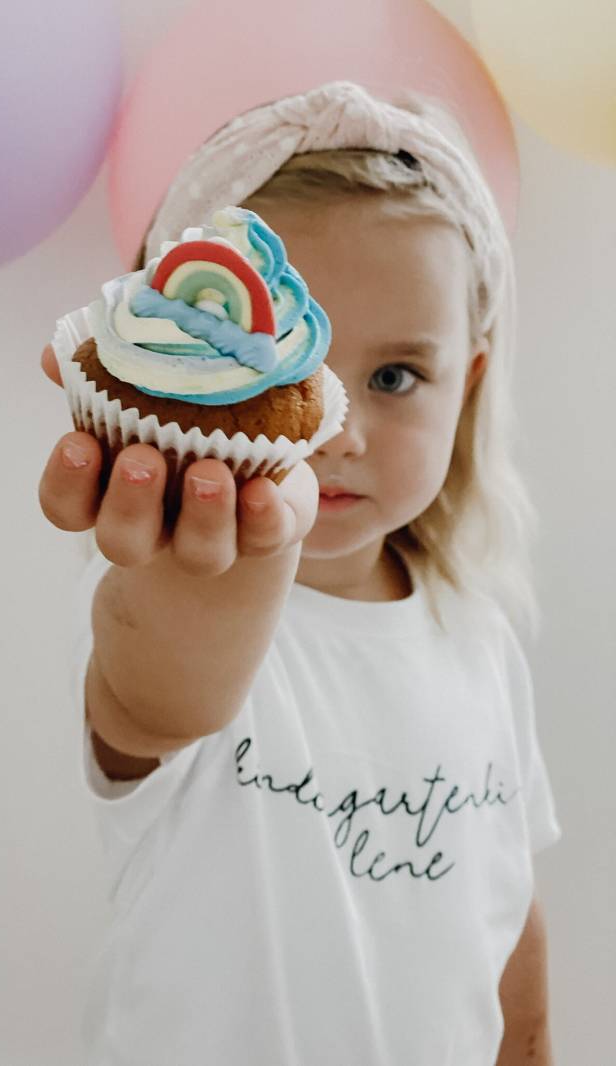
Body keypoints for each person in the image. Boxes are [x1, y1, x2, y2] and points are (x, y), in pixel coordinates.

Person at [38, 82, 562, 1066]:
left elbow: (504, 904)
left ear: (470, 383)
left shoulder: (476, 638)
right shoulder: (169, 599)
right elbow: (156, 700)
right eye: (282, 378)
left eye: (395, 376)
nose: (335, 431)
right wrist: (224, 541)